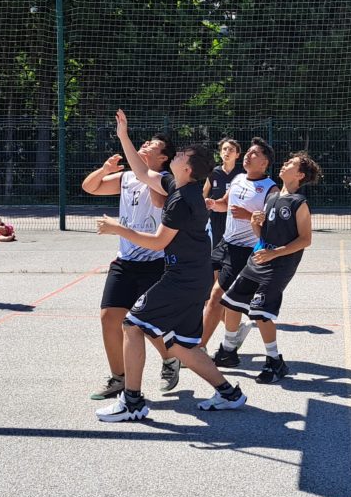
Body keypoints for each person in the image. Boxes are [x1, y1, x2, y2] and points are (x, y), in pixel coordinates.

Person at [94, 110, 247, 422]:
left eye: (180, 155)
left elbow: (157, 242)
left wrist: (117, 228)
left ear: (187, 168)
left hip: (183, 279)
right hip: (193, 277)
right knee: (178, 344)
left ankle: (132, 402)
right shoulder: (179, 186)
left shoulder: (181, 200)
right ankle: (229, 393)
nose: (176, 155)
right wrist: (124, 136)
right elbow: (141, 172)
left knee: (132, 325)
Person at [81, 122, 181, 400]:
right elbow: (90, 187)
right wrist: (105, 169)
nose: (146, 145)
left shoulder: (165, 179)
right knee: (109, 318)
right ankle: (119, 378)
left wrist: (141, 163)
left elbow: (158, 202)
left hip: (155, 263)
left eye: (153, 145)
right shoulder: (126, 178)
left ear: (163, 157)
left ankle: (171, 359)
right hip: (125, 261)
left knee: (148, 324)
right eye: (145, 142)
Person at [218, 151, 322, 384]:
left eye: (291, 164)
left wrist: (275, 252)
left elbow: (305, 239)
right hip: (259, 259)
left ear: (299, 175)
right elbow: (263, 235)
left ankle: (275, 361)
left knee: (261, 313)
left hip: (280, 264)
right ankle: (228, 351)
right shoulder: (272, 197)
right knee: (231, 302)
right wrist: (255, 224)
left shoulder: (299, 203)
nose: (285, 164)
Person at [203, 137, 276, 366]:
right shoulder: (237, 178)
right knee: (212, 294)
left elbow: (273, 226)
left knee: (216, 297)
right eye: (249, 152)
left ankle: (198, 347)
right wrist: (213, 204)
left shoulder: (270, 189)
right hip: (224, 243)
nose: (248, 156)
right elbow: (225, 203)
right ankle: (232, 341)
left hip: (244, 250)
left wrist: (249, 216)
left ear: (264, 163)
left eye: (254, 154)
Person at [205, 138, 241, 246]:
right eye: (224, 149)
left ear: (237, 155)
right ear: (220, 153)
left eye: (231, 150)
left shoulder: (242, 174)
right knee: (217, 246)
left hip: (236, 216)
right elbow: (204, 193)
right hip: (217, 216)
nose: (227, 152)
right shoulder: (213, 173)